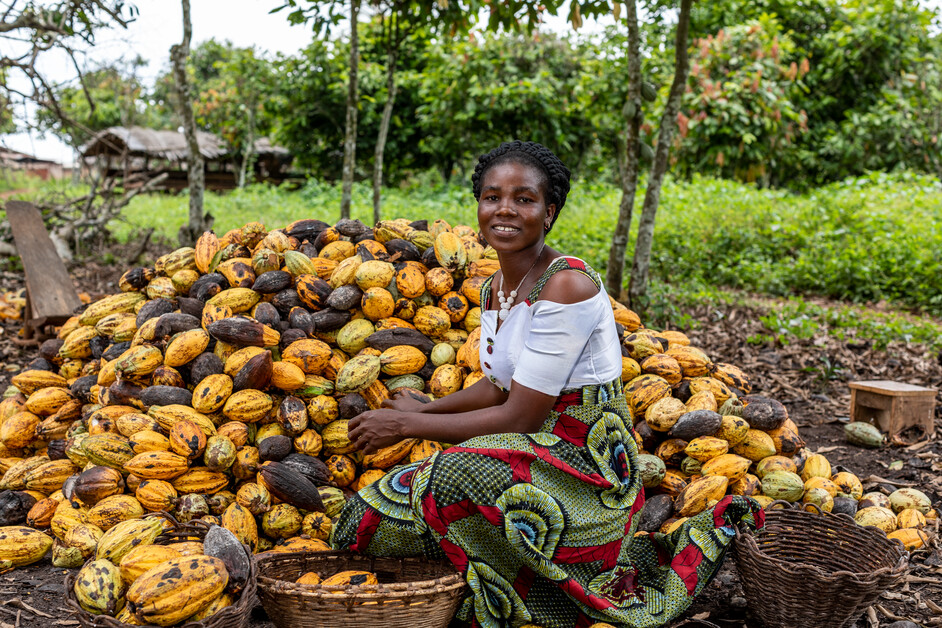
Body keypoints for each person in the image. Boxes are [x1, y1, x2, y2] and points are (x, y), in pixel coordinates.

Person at [332, 140, 763, 628]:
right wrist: (427, 408)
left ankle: (531, 588)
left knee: (445, 476)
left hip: (585, 465)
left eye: (524, 199)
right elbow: (497, 387)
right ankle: (481, 582)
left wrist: (408, 424)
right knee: (372, 516)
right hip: (526, 446)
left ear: (549, 211)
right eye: (492, 197)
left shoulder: (566, 283)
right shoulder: (495, 287)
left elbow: (522, 414)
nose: (505, 211)